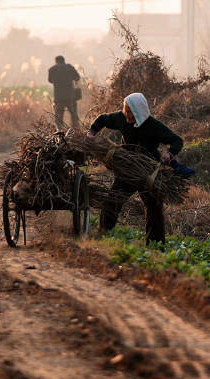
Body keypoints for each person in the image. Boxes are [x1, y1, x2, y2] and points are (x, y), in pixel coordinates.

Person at [87, 92, 184, 245]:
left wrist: (169, 154)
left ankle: (155, 245)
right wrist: (91, 132)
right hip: (127, 166)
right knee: (112, 200)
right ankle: (102, 233)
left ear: (139, 112)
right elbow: (102, 119)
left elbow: (177, 140)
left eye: (130, 112)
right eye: (125, 110)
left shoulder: (154, 125)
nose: (127, 115)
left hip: (148, 169)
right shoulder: (121, 118)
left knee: (154, 207)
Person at [48, 55, 81, 130]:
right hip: (70, 96)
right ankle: (76, 131)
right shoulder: (69, 67)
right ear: (64, 60)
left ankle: (59, 131)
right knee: (73, 115)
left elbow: (50, 80)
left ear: (56, 61)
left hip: (58, 97)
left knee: (59, 116)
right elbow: (77, 77)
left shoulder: (52, 69)